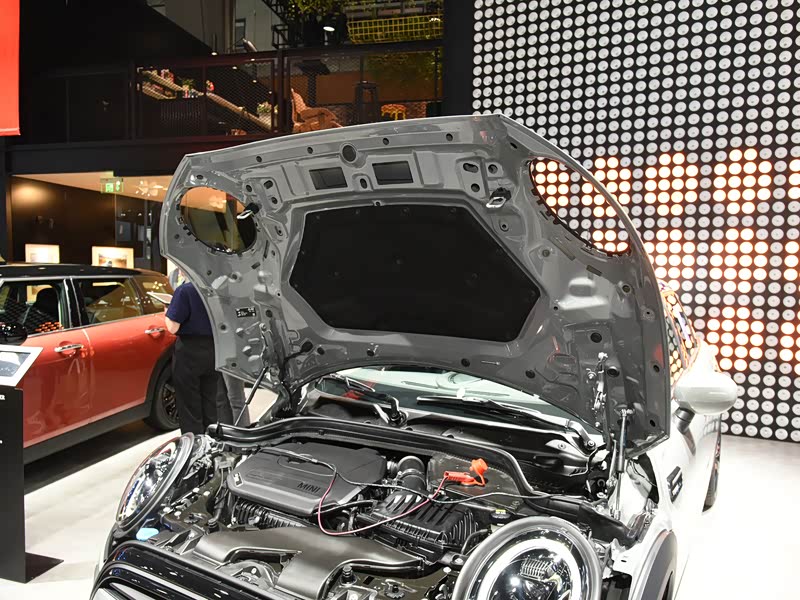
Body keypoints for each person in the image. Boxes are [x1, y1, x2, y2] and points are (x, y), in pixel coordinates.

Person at [164, 279, 232, 434]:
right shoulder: (218, 289)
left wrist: (167, 313)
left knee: (189, 405)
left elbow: (173, 327)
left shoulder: (185, 291)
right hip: (214, 348)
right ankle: (211, 441)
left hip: (189, 350)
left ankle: (195, 444)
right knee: (210, 401)